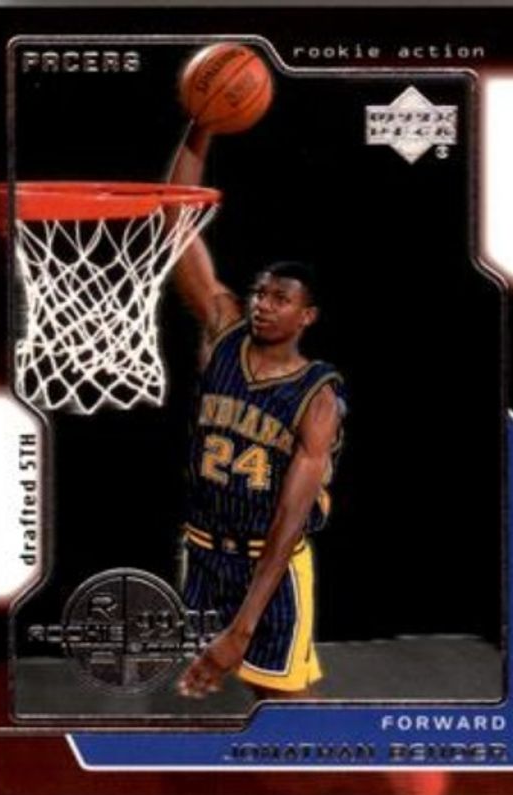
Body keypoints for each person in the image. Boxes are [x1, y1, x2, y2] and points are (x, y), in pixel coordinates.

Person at [169, 124, 346, 700]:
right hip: (202, 553)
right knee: (221, 697)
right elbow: (176, 224)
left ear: (307, 316)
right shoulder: (224, 332)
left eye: (280, 299)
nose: (263, 305)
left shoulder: (317, 396)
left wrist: (243, 627)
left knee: (284, 707)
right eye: (260, 293)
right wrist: (201, 127)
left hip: (268, 566)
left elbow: (289, 520)